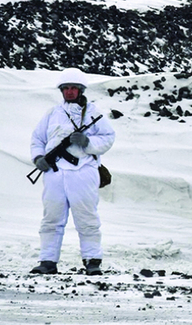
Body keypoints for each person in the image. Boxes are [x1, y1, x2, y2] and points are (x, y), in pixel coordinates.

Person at [29, 68, 115, 275]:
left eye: (73, 88)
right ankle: (48, 261)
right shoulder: (52, 113)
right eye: (65, 88)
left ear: (80, 90)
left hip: (83, 171)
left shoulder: (93, 113)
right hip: (55, 173)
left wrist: (88, 142)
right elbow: (38, 139)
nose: (69, 92)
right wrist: (39, 158)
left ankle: (92, 261)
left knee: (87, 218)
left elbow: (108, 137)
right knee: (51, 219)